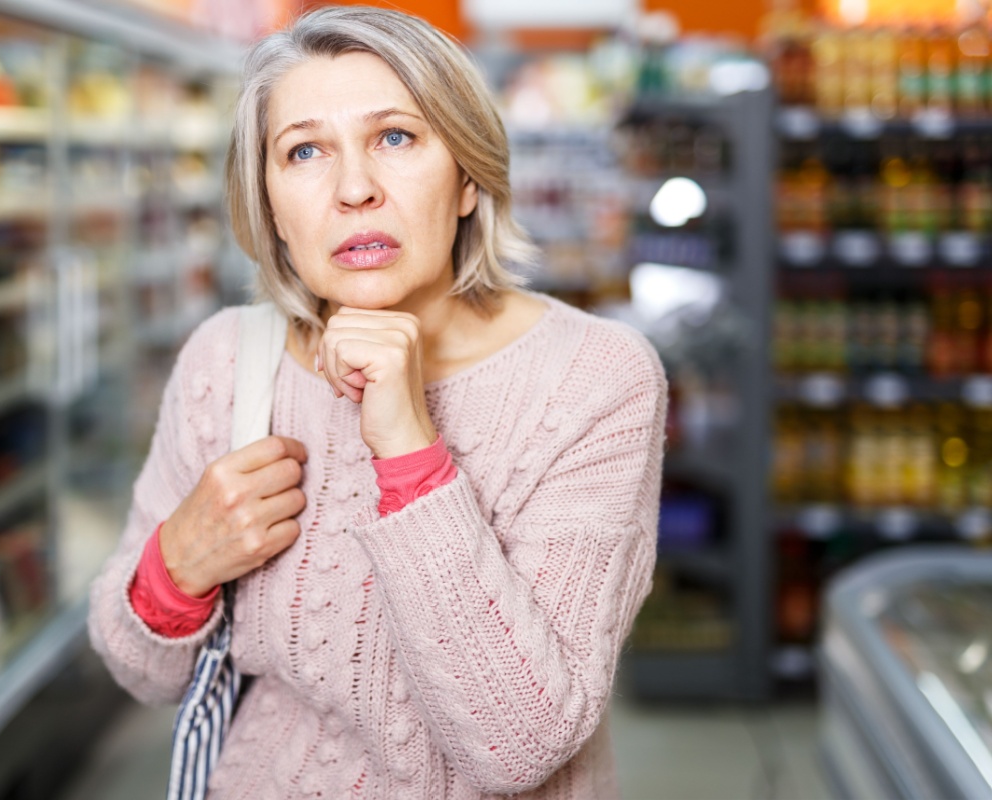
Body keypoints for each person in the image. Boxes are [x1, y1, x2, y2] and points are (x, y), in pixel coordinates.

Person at [89, 6, 667, 798]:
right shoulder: (227, 361)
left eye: (396, 137)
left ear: (467, 176)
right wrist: (174, 568)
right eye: (304, 151)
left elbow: (520, 747)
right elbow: (140, 669)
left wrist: (411, 454)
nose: (355, 189)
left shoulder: (595, 379)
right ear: (270, 204)